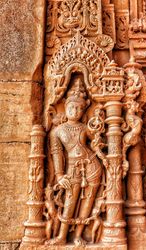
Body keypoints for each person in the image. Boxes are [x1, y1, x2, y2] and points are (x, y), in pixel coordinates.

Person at [47, 76, 102, 246]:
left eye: (79, 108)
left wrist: (98, 126)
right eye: (72, 107)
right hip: (72, 169)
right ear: (65, 106)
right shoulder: (57, 131)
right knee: (70, 201)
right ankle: (62, 236)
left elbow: (96, 142)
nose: (75, 111)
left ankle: (78, 235)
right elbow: (57, 153)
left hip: (92, 166)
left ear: (84, 110)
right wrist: (59, 174)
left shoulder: (84, 128)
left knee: (87, 201)